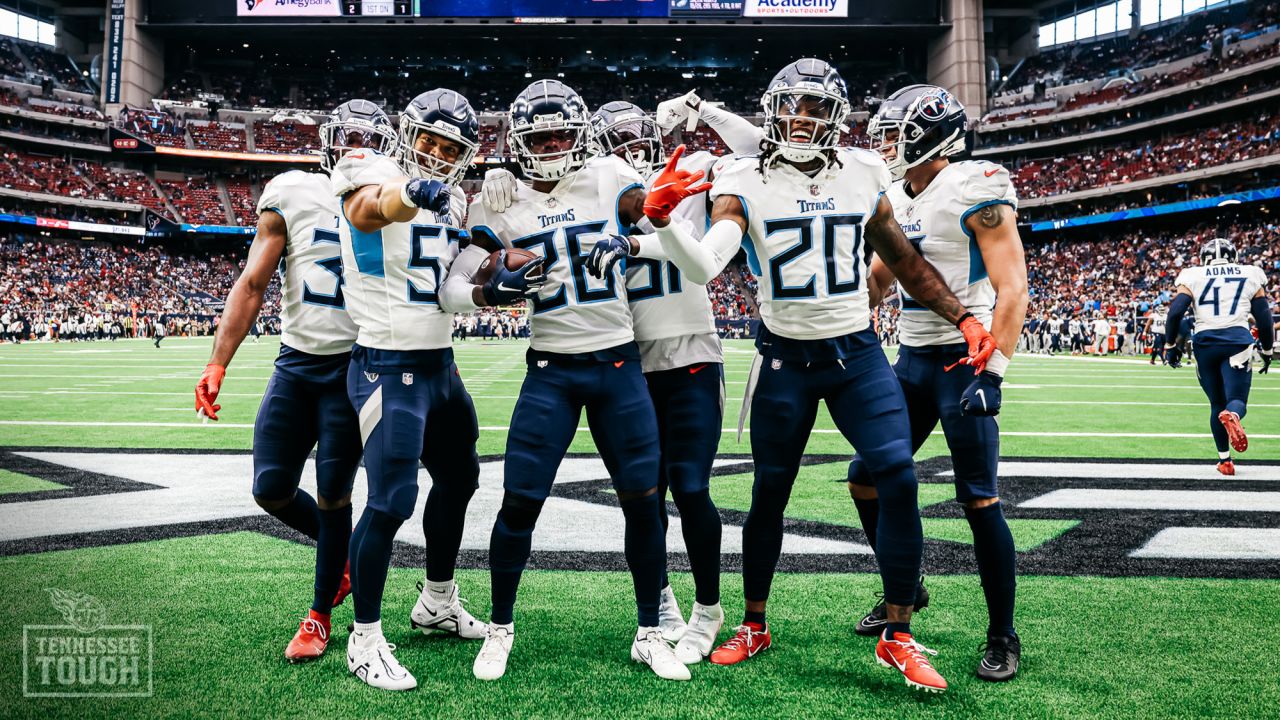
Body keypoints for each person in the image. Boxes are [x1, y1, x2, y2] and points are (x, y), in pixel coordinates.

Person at [641, 59, 996, 694]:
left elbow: (905, 260)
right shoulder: (741, 176)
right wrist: (666, 224)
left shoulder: (863, 171)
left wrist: (964, 317)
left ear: (834, 119)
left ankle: (899, 633)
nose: (800, 121)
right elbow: (706, 264)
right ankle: (753, 623)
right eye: (791, 108)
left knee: (897, 475)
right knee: (769, 494)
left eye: (814, 110)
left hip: (855, 354)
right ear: (771, 112)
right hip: (784, 361)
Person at [448, 79, 686, 682]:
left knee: (643, 504)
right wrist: (487, 291)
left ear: (582, 137)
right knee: (519, 500)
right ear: (520, 142)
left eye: (563, 134)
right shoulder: (495, 202)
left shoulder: (609, 175)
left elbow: (668, 231)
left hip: (617, 363)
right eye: (540, 136)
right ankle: (501, 627)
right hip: (550, 368)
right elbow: (451, 288)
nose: (553, 145)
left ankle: (649, 631)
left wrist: (635, 234)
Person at [850, 84, 1028, 681]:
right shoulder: (897, 195)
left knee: (978, 498)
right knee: (865, 478)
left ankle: (1003, 634)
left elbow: (1013, 287)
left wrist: (996, 371)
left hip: (963, 361)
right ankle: (908, 585)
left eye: (896, 132)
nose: (886, 144)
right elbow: (880, 278)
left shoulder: (975, 186)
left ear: (931, 135)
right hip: (912, 360)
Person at [334, 90, 509, 691]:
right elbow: (368, 211)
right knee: (390, 501)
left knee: (461, 480)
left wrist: (487, 276)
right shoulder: (375, 169)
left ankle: (436, 601)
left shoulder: (455, 196)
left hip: (439, 364)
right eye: (428, 142)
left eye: (449, 148)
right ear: (407, 135)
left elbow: (445, 287)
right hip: (387, 362)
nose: (435, 155)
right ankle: (364, 638)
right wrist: (413, 193)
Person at [194, 99, 378, 664]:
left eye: (365, 142)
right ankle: (345, 556)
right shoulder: (294, 191)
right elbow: (253, 283)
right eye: (346, 139)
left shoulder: (392, 200)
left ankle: (320, 615)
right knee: (270, 487)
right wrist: (217, 361)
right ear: (327, 144)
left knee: (333, 494)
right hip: (297, 363)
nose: (354, 151)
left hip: (353, 365)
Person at [1163, 238, 1273, 476]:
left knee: (1216, 404)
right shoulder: (1250, 273)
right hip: (1237, 341)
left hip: (1205, 343)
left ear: (1204, 258)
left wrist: (1171, 345)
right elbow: (1264, 317)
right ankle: (1233, 415)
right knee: (1236, 401)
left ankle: (1225, 461)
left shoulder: (1192, 275)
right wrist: (1267, 349)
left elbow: (1174, 313)